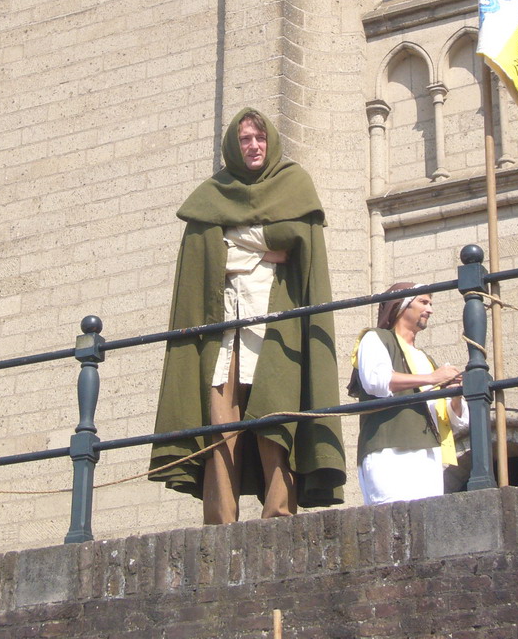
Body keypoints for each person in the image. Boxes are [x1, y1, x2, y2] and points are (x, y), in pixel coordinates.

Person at [149, 108, 346, 524]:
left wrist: (233, 242)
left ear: (270, 142)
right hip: (225, 331)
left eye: (259, 139)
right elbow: (204, 253)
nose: (253, 146)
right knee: (221, 429)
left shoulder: (294, 184)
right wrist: (262, 248)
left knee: (276, 421)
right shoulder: (213, 194)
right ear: (233, 147)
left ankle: (278, 514)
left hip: (275, 327)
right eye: (244, 140)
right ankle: (220, 522)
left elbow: (295, 240)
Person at [350, 282, 468, 505]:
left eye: (431, 303)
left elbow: (455, 422)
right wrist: (433, 379)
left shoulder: (426, 359)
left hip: (429, 457)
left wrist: (455, 394)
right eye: (423, 302)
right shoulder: (375, 338)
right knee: (393, 522)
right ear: (402, 306)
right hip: (390, 452)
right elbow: (377, 380)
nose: (430, 309)